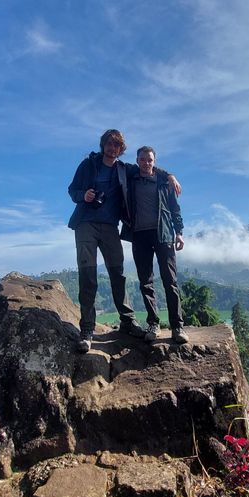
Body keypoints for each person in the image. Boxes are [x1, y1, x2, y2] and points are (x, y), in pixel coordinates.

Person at [68, 130, 180, 353]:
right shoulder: (88, 165)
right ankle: (87, 330)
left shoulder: (123, 169)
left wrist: (170, 176)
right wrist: (84, 196)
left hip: (110, 227)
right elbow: (72, 190)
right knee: (88, 277)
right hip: (86, 226)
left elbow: (147, 167)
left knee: (118, 275)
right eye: (109, 144)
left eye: (116, 145)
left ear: (121, 149)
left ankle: (127, 322)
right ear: (103, 145)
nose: (112, 148)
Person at [122, 146, 189, 344]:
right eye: (142, 160)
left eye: (149, 160)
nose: (146, 163)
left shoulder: (163, 183)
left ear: (154, 161)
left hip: (164, 235)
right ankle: (154, 323)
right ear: (137, 161)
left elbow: (175, 210)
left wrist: (179, 233)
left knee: (170, 281)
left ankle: (177, 326)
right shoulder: (131, 180)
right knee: (145, 282)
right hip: (139, 236)